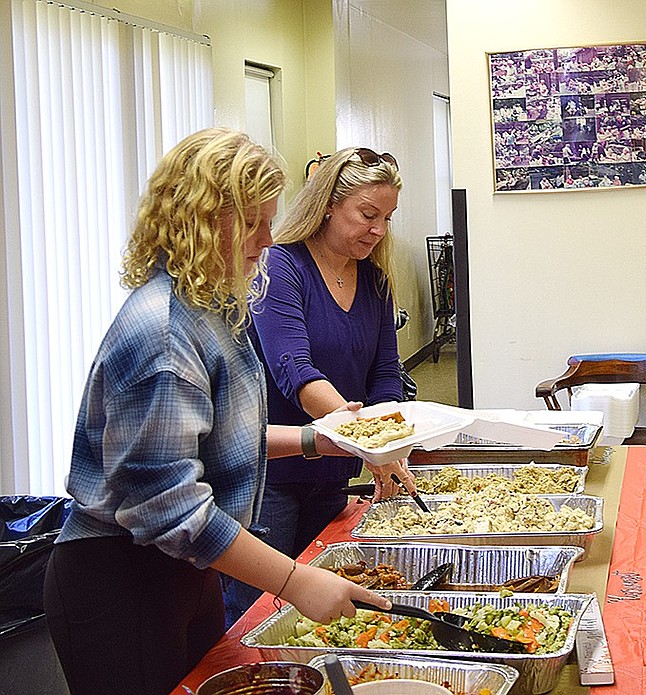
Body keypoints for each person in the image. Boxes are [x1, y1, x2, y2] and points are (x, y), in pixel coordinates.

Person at [43, 128, 391, 695]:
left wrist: (314, 441)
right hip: (120, 578)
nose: (268, 238)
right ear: (201, 220)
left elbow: (217, 441)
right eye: (253, 222)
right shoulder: (163, 335)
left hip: (184, 568)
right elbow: (169, 511)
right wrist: (295, 580)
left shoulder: (209, 306)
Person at [222, 146, 417, 623]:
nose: (379, 230)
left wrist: (388, 437)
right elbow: (296, 372)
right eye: (368, 214)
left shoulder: (374, 281)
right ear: (330, 202)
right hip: (273, 477)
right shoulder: (280, 267)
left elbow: (386, 376)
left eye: (388, 218)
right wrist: (367, 440)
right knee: (255, 615)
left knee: (316, 611)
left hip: (331, 471)